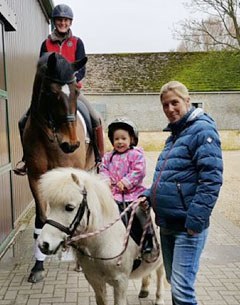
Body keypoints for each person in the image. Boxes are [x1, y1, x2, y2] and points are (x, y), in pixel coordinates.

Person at [137, 81, 223, 305]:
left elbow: (211, 179)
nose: (170, 109)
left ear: (187, 100)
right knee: (173, 282)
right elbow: (170, 177)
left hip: (187, 227)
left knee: (183, 290)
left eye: (174, 102)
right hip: (167, 224)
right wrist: (148, 194)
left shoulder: (202, 130)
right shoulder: (175, 134)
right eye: (165, 105)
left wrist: (195, 221)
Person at [14, 4, 104, 175]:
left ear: (70, 22)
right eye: (60, 20)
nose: (63, 23)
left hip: (71, 91)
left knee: (95, 117)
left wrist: (71, 83)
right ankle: (27, 160)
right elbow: (41, 69)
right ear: (54, 22)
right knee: (22, 121)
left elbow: (81, 67)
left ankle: (100, 157)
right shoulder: (46, 44)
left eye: (66, 20)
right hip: (51, 93)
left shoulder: (77, 42)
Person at [99, 118, 153, 254]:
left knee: (140, 213)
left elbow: (139, 171)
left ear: (132, 140)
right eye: (116, 139)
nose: (120, 142)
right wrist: (106, 181)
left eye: (124, 138)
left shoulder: (135, 155)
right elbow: (103, 169)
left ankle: (147, 238)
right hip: (114, 193)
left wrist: (126, 182)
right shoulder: (108, 157)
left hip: (133, 193)